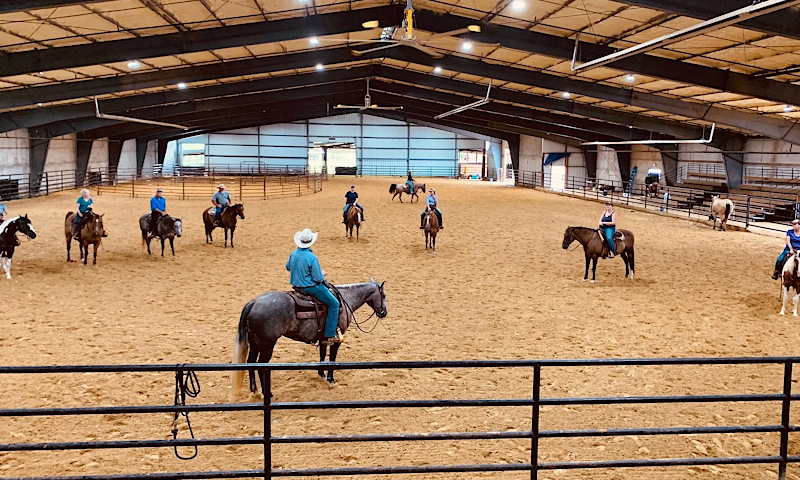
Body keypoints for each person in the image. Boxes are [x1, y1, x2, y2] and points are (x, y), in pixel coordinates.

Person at [286, 228, 339, 346]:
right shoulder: (311, 257)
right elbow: (317, 278)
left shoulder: (293, 253)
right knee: (334, 304)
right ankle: (330, 334)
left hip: (296, 286)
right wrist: (322, 273)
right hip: (309, 287)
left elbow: (288, 267)